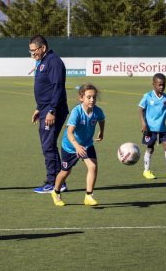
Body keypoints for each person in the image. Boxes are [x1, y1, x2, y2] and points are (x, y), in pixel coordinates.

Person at [51, 83, 105, 206]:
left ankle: (88, 196)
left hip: (87, 144)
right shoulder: (76, 112)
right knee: (65, 172)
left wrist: (101, 132)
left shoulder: (97, 111)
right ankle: (56, 192)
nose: (92, 100)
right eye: (88, 97)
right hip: (70, 146)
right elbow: (70, 133)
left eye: (94, 97)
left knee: (92, 166)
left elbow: (102, 119)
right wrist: (76, 146)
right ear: (81, 97)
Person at [29, 34, 69, 193]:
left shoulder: (53, 62)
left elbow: (58, 88)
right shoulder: (43, 61)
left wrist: (51, 110)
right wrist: (40, 108)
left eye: (34, 50)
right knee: (48, 145)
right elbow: (46, 89)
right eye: (30, 51)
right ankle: (58, 182)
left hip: (54, 110)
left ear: (43, 48)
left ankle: (54, 183)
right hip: (45, 109)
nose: (32, 54)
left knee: (48, 146)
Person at [139, 73, 166, 180]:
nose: (161, 87)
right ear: (153, 84)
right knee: (150, 148)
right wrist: (143, 124)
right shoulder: (148, 96)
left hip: (162, 128)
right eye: (159, 85)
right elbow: (141, 110)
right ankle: (146, 171)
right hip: (150, 129)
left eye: (163, 85)